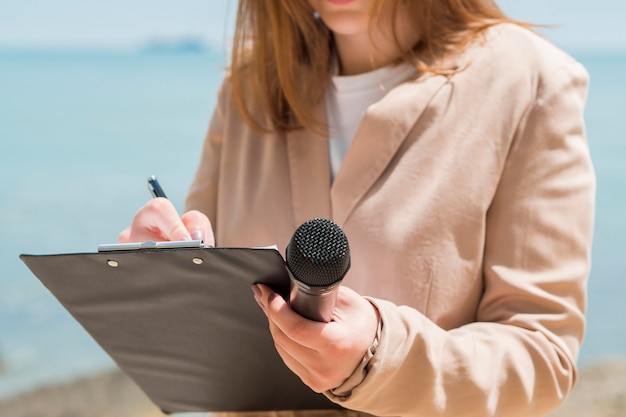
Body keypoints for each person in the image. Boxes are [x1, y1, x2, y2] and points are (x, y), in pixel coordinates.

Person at [120, 0, 595, 416]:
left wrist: (379, 353)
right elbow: (207, 305)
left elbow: (544, 357)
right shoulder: (248, 84)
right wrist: (161, 272)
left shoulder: (528, 80)